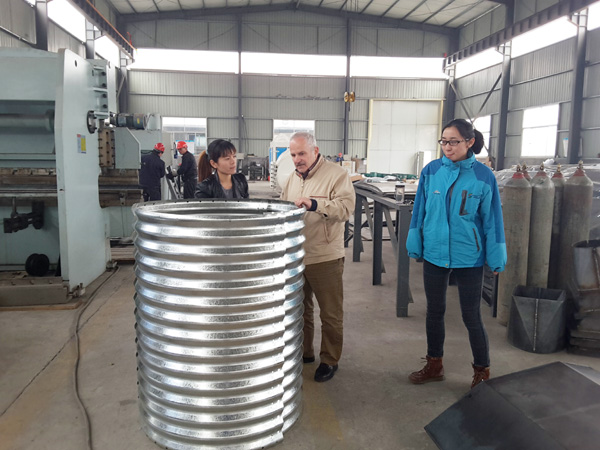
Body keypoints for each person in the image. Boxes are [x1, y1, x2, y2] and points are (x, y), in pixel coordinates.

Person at [406, 119, 506, 389]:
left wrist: (496, 255)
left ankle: (482, 370)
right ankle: (434, 364)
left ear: (469, 142)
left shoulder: (483, 176)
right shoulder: (431, 171)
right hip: (434, 252)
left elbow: (492, 219)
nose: (447, 147)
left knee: (471, 315)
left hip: (469, 255)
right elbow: (420, 210)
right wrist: (415, 239)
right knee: (434, 311)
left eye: (454, 142)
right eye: (444, 141)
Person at [281, 132, 355, 383]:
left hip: (325, 256)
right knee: (300, 310)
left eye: (302, 153)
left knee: (330, 314)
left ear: (315, 150)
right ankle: (304, 353)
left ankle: (330, 360)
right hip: (296, 255)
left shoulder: (337, 175)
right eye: (293, 155)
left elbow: (345, 209)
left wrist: (314, 204)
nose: (297, 159)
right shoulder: (291, 179)